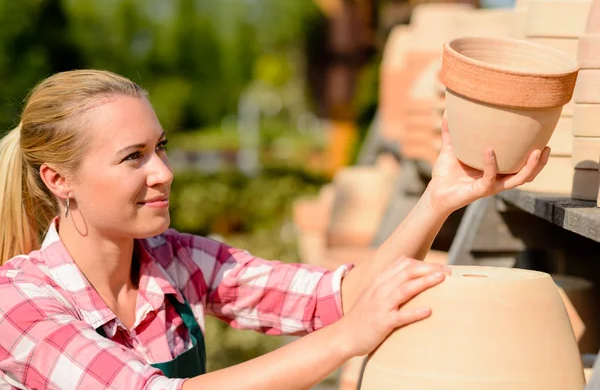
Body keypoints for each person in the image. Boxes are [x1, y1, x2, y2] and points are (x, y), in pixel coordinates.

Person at [0, 69, 549, 390]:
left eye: (160, 147)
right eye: (133, 157)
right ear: (59, 179)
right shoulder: (17, 302)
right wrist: (347, 340)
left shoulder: (175, 260)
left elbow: (337, 298)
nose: (163, 173)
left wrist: (439, 199)